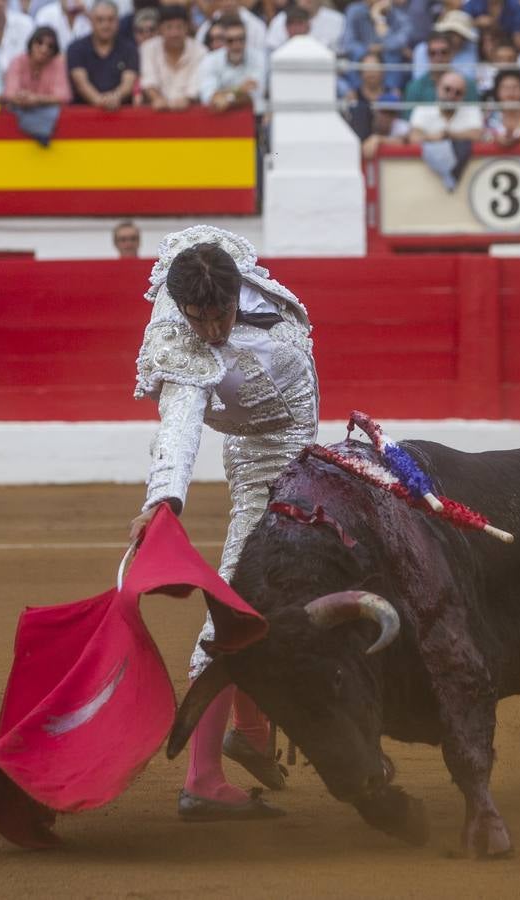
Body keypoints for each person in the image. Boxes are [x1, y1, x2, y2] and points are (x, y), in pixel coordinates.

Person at [129, 226, 318, 822]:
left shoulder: (224, 268)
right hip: (266, 459)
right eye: (199, 319)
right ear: (183, 309)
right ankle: (203, 778)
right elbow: (180, 429)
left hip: (303, 446)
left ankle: (252, 732)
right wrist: (164, 500)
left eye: (221, 315)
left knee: (271, 592)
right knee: (238, 595)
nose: (211, 331)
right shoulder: (180, 349)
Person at [68, 0, 138, 107]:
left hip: (121, 113)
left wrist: (114, 98)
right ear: (91, 21)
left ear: (118, 22)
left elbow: (128, 84)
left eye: (111, 20)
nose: (106, 25)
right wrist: (100, 101)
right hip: (84, 114)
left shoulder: (129, 49)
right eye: (100, 20)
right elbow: (81, 83)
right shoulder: (76, 48)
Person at [341, 0, 414, 93]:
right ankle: (356, 93)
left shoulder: (397, 13)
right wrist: (368, 50)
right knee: (365, 58)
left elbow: (400, 42)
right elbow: (347, 44)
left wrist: (379, 19)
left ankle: (391, 93)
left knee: (392, 53)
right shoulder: (354, 10)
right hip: (363, 57)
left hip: (387, 61)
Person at [140, 4, 204, 109]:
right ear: (160, 29)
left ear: (187, 28)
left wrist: (186, 100)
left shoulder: (200, 51)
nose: (175, 33)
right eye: (169, 27)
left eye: (179, 27)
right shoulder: (148, 48)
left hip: (189, 111)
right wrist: (157, 99)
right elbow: (149, 80)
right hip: (157, 110)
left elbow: (195, 86)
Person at [197, 15, 264, 113]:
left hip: (251, 119)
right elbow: (211, 99)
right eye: (231, 40)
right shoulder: (210, 60)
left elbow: (253, 96)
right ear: (223, 41)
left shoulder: (258, 58)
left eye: (241, 39)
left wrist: (227, 97)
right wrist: (240, 90)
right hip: (218, 121)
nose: (236, 45)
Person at [4, 24, 71, 105]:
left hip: (47, 112)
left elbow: (64, 96)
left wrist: (37, 99)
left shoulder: (57, 63)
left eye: (50, 46)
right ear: (31, 43)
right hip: (20, 109)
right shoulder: (18, 61)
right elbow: (9, 93)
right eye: (39, 43)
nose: (44, 49)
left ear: (54, 51)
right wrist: (23, 97)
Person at [407, 68, 483, 139]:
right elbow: (414, 137)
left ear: (464, 95)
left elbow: (477, 135)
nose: (451, 96)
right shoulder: (421, 110)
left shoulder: (472, 111)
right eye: (447, 89)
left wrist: (447, 135)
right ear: (437, 88)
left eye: (458, 92)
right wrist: (436, 137)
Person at [484, 66, 520, 145]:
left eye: (515, 87)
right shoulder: (490, 115)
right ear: (497, 92)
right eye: (505, 88)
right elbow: (483, 140)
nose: (510, 93)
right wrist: (496, 139)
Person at [266, 0, 344, 52]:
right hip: (288, 72)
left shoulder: (338, 20)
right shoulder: (280, 20)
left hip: (326, 73)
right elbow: (272, 54)